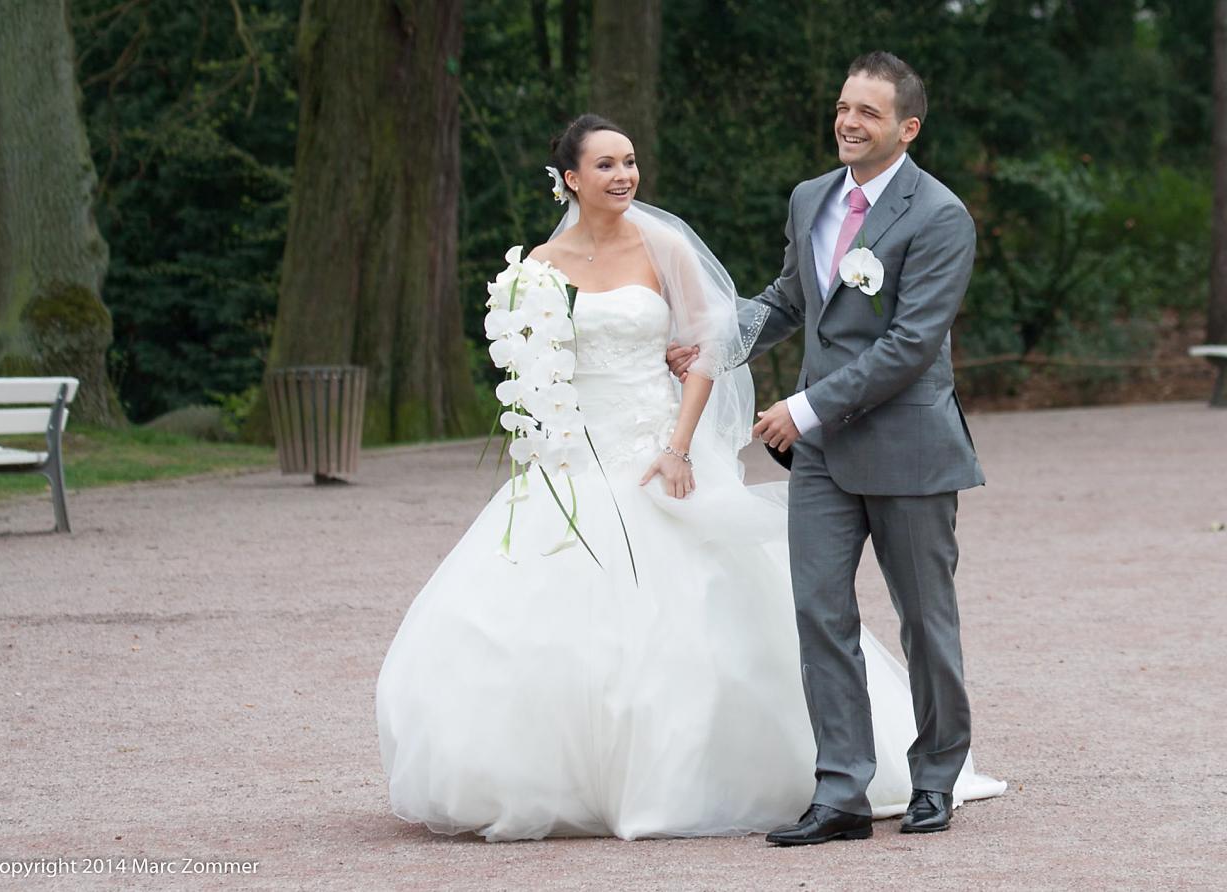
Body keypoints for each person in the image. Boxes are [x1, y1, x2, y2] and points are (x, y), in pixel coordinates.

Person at [375, 112, 1003, 842]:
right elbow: (762, 308)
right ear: (570, 179)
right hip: (579, 460)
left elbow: (725, 336)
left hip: (665, 448)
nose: (623, 175)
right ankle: (833, 789)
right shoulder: (537, 267)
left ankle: (924, 776)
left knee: (908, 618)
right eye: (605, 165)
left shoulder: (666, 243)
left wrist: (680, 444)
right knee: (798, 615)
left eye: (630, 161)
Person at [670, 51, 990, 845]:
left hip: (908, 449)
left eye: (869, 113)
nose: (848, 121)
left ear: (907, 128)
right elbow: (790, 297)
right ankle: (842, 792)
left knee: (926, 622)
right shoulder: (810, 197)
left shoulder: (941, 216)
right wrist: (716, 342)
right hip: (820, 459)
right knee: (819, 616)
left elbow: (913, 344)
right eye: (844, 107)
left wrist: (802, 409)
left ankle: (936, 777)